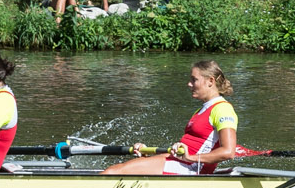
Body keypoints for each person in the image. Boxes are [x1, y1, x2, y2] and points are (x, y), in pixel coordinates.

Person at [105, 59, 248, 175]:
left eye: (194, 80)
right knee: (115, 169)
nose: (189, 84)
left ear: (210, 81)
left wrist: (191, 157)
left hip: (191, 167)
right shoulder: (202, 110)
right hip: (180, 162)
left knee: (112, 172)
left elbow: (228, 152)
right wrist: (146, 155)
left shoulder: (223, 109)